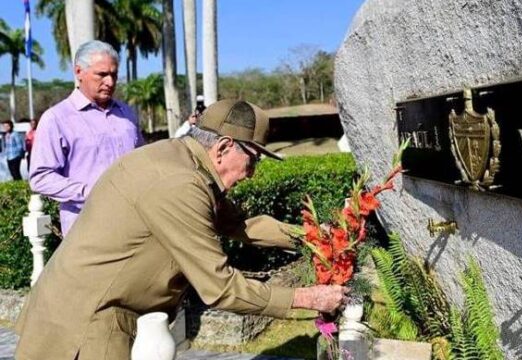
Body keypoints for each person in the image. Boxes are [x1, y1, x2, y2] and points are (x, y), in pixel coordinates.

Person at [15, 99, 349, 360]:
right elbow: (220, 288)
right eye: (253, 160)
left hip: (87, 310)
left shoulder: (184, 162)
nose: (252, 173)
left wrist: (317, 236)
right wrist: (305, 297)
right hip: (83, 323)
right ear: (222, 148)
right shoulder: (179, 183)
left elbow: (240, 225)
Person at [29, 40, 144, 236]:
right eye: (102, 74)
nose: (110, 82)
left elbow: (142, 161)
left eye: (114, 75)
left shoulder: (127, 113)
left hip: (135, 224)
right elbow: (40, 177)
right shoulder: (56, 118)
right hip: (87, 231)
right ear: (78, 72)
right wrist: (90, 193)